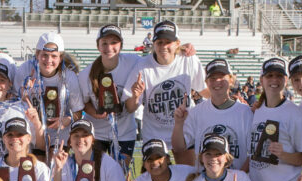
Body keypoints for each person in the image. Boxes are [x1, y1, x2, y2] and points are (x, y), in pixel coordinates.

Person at [126, 20, 206, 148]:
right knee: (155, 167)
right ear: (154, 44)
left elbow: (203, 89)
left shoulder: (188, 59)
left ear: (177, 44)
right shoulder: (142, 66)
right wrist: (135, 97)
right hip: (154, 135)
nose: (163, 46)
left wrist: (228, 101)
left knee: (187, 168)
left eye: (168, 42)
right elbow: (130, 108)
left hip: (185, 131)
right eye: (159, 42)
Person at [172, 58, 252, 171]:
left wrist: (239, 177)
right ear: (206, 82)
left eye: (222, 77)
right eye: (213, 78)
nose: (217, 82)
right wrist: (178, 124)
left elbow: (253, 154)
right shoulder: (197, 112)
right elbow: (179, 147)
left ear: (231, 80)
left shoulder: (245, 112)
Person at [15, 32, 84, 159]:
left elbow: (78, 111)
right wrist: (24, 93)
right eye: (44, 55)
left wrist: (66, 120)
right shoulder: (25, 70)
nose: (48, 60)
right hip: (32, 134)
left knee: (56, 170)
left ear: (61, 58)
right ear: (37, 55)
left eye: (54, 56)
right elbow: (13, 100)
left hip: (59, 135)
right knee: (33, 171)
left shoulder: (69, 77)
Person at [80, 24, 141, 162]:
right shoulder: (86, 75)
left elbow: (156, 60)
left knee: (120, 175)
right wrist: (96, 113)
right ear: (98, 46)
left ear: (121, 45)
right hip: (97, 134)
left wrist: (181, 51)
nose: (109, 48)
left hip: (124, 134)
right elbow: (83, 103)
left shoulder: (134, 62)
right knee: (95, 176)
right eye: (104, 43)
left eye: (114, 42)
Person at [50, 119, 126, 181]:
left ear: (93, 140)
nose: (80, 139)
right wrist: (58, 168)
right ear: (70, 141)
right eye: (76, 135)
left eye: (85, 135)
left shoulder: (109, 165)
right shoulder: (65, 162)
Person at [0, 117, 53, 181]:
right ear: (4, 139)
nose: (15, 138)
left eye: (19, 134)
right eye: (10, 135)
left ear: (29, 139)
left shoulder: (40, 168)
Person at [124, 138, 194, 181]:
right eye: (149, 159)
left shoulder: (187, 172)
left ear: (167, 159)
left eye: (159, 157)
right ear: (144, 164)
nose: (154, 162)